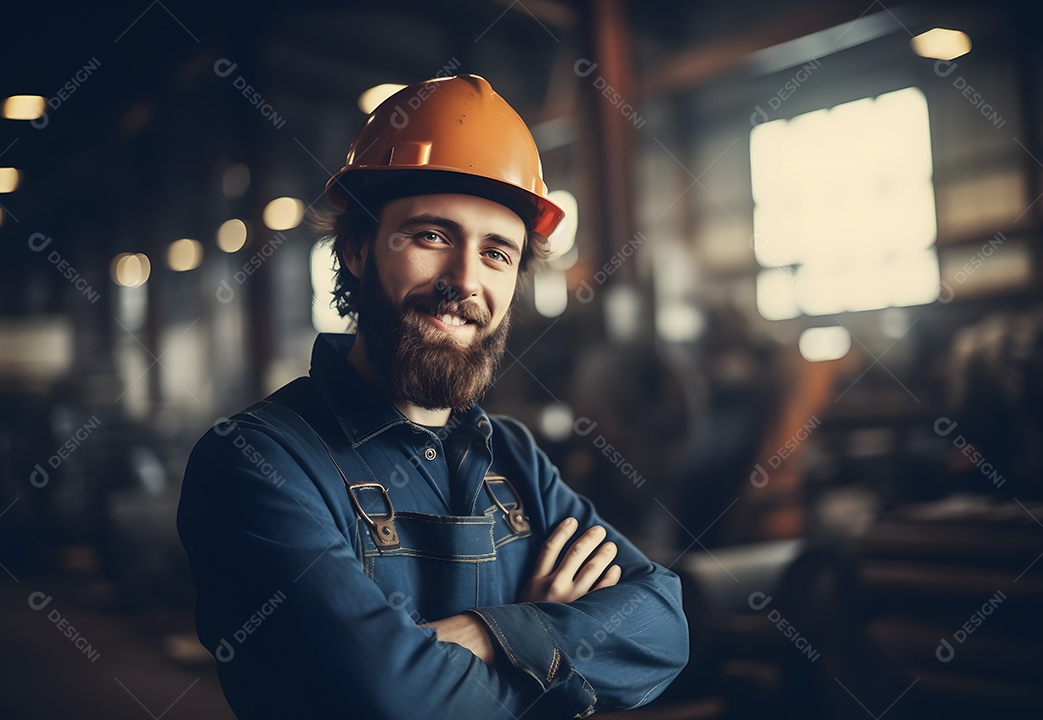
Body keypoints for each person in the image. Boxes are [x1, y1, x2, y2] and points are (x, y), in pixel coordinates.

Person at [177, 74, 688, 719]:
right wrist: (550, 645)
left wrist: (491, 633)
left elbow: (664, 622)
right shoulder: (258, 462)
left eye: (498, 253)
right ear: (358, 248)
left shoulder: (513, 457)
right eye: (432, 236)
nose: (464, 281)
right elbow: (391, 696)